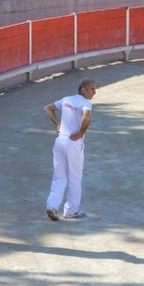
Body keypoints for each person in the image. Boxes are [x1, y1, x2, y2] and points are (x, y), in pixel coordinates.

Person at [43, 79, 97, 221]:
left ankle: (52, 206)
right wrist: (81, 133)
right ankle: (71, 210)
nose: (94, 92)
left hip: (59, 141)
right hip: (73, 143)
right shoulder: (86, 103)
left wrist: (58, 124)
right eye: (91, 89)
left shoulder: (66, 99)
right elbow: (87, 117)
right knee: (75, 177)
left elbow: (48, 108)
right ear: (83, 90)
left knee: (59, 176)